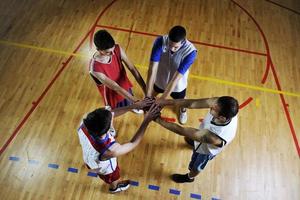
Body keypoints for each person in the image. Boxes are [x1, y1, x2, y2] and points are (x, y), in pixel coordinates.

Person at [77, 99, 160, 193]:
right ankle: (115, 188)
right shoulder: (111, 150)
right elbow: (133, 143)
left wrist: (132, 106)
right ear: (107, 130)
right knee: (112, 177)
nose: (112, 114)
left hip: (89, 157)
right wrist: (147, 120)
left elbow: (109, 113)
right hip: (105, 167)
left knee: (94, 167)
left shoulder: (86, 121)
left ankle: (96, 170)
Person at [155, 96, 239, 183]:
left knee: (195, 166)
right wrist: (165, 102)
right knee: (196, 138)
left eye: (214, 109)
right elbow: (191, 103)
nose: (211, 106)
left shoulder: (213, 136)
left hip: (206, 151)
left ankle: (189, 177)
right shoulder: (222, 105)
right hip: (202, 137)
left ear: (222, 118)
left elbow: (181, 130)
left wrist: (157, 119)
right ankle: (195, 141)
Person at [146, 25, 197, 124]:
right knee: (152, 93)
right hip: (161, 78)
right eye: (170, 45)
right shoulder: (160, 41)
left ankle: (183, 110)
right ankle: (148, 102)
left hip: (177, 85)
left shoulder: (191, 52)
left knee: (181, 101)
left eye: (176, 47)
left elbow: (176, 79)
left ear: (184, 41)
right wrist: (147, 96)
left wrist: (162, 101)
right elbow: (152, 68)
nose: (172, 49)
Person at [89, 29, 146, 110]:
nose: (113, 53)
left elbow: (132, 68)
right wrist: (136, 101)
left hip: (123, 84)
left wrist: (144, 87)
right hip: (112, 93)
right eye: (108, 52)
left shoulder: (117, 48)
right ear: (98, 50)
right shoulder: (94, 68)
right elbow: (116, 87)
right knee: (115, 112)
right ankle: (132, 106)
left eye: (112, 49)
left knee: (129, 99)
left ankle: (132, 106)